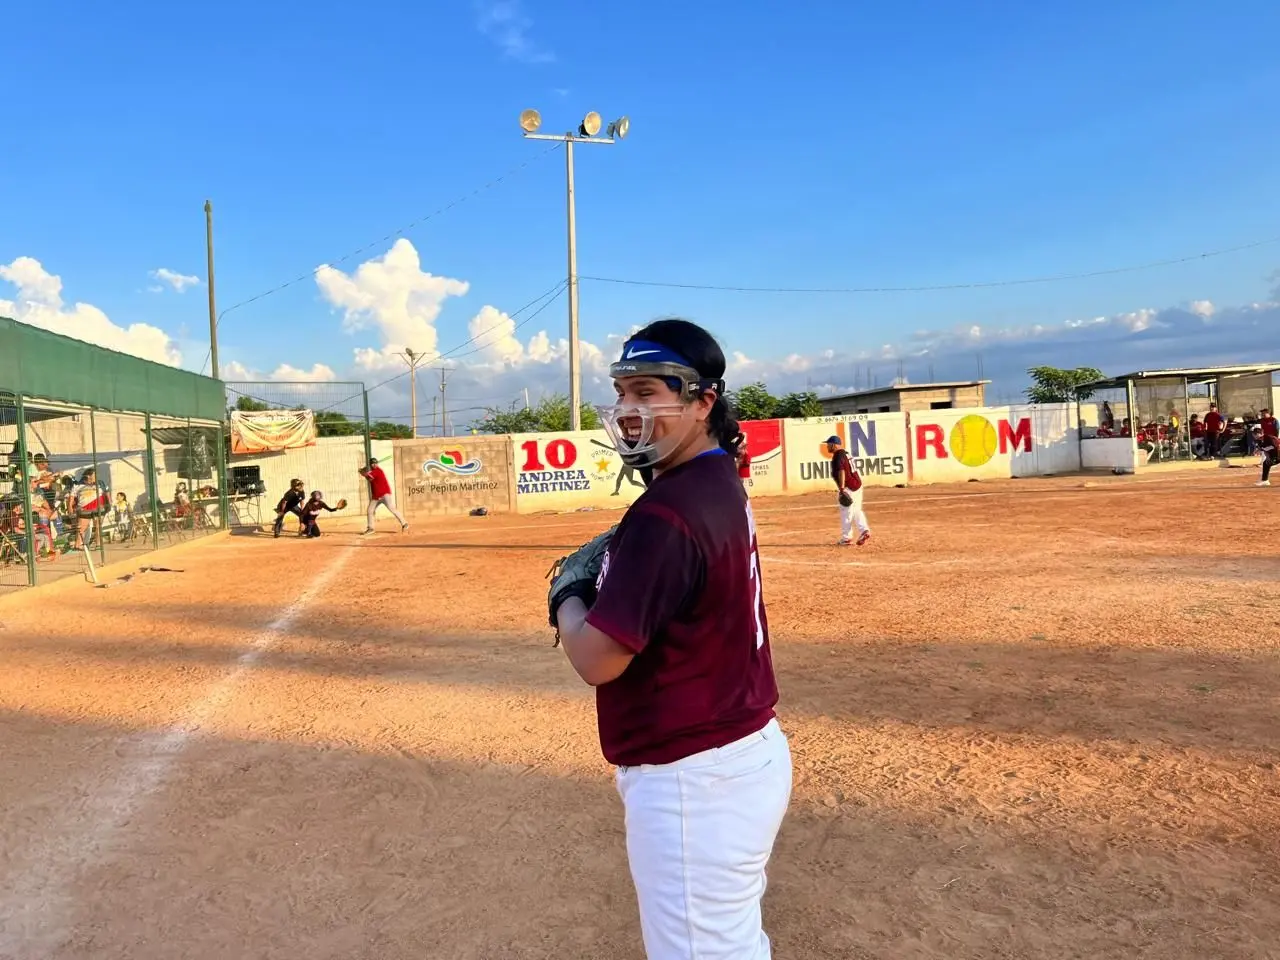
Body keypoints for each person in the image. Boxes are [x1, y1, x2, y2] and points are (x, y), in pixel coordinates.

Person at [551, 318, 791, 960]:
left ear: (702, 401)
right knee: (731, 943)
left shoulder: (668, 509)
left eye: (648, 391)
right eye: (623, 391)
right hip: (736, 752)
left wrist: (567, 598)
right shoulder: (715, 478)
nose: (629, 410)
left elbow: (598, 658)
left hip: (695, 776)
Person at [826, 434, 870, 546]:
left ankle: (846, 538)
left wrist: (841, 488)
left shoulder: (838, 455)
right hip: (857, 484)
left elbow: (842, 471)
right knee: (856, 510)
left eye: (829, 444)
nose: (827, 446)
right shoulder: (845, 453)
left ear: (834, 445)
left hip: (849, 487)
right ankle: (864, 530)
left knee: (846, 512)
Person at [358, 458, 408, 534]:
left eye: (375, 463)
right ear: (370, 464)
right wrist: (364, 472)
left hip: (384, 494)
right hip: (376, 497)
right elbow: (369, 478)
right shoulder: (372, 472)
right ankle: (371, 528)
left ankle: (404, 524)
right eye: (372, 463)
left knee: (392, 509)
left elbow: (369, 476)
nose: (374, 464)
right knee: (370, 510)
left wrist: (362, 471)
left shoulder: (378, 471)